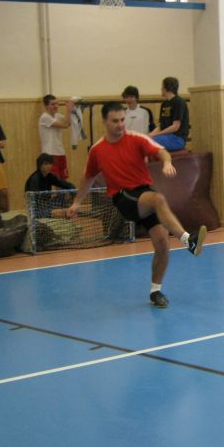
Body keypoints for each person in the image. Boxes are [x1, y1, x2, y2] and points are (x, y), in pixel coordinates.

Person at [67, 102, 206, 309]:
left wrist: (167, 162)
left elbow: (162, 152)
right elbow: (88, 177)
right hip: (123, 197)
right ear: (105, 121)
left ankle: (155, 291)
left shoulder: (137, 139)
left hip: (143, 192)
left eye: (122, 120)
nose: (120, 125)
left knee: (162, 244)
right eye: (115, 121)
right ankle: (188, 241)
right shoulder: (97, 150)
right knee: (158, 199)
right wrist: (77, 202)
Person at [149, 76, 189, 152]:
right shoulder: (164, 104)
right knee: (145, 140)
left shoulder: (179, 102)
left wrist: (156, 135)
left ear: (167, 88)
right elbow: (161, 126)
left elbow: (175, 127)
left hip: (177, 138)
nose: (161, 89)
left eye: (162, 86)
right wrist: (149, 135)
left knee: (153, 141)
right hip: (165, 136)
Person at [38, 94, 73, 180]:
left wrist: (74, 110)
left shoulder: (57, 116)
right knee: (53, 180)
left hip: (60, 152)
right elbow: (65, 125)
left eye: (57, 103)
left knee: (62, 180)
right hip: (49, 153)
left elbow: (68, 123)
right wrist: (69, 110)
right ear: (46, 106)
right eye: (53, 104)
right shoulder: (45, 117)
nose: (56, 106)